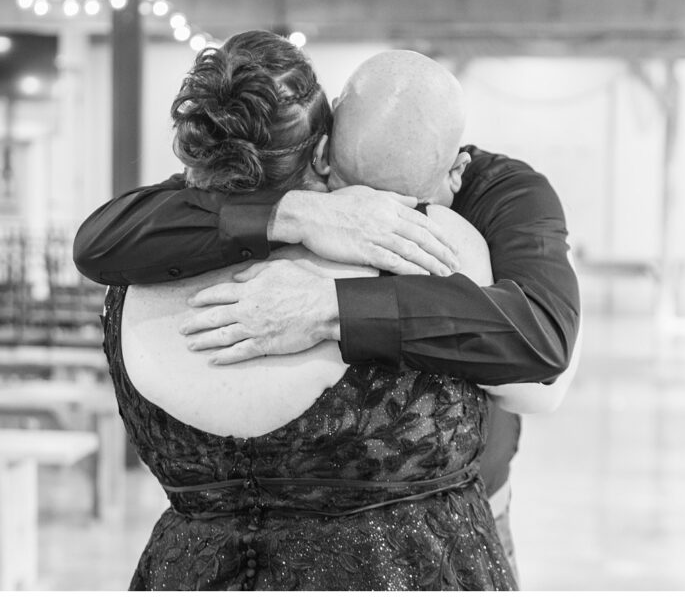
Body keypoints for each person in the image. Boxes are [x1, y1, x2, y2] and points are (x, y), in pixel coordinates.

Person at [74, 44, 581, 586]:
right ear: (324, 148)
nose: (364, 215)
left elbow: (542, 343)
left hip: (443, 536)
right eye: (342, 184)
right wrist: (295, 213)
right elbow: (97, 241)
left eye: (397, 204)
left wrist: (331, 307)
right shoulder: (247, 201)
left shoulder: (502, 196)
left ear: (454, 173)